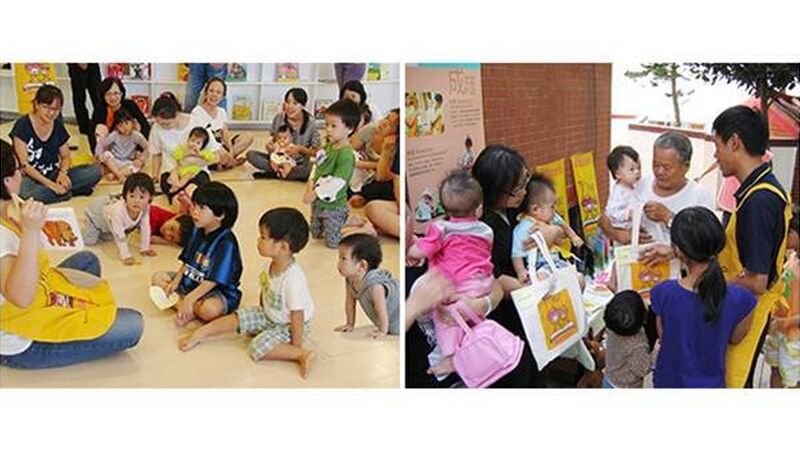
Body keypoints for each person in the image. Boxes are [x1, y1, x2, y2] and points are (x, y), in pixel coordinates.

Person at [0, 141, 143, 369]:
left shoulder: (8, 209)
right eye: (19, 170)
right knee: (134, 325)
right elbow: (21, 298)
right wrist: (30, 231)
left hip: (37, 290)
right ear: (7, 181)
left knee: (88, 260)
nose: (22, 175)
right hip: (19, 337)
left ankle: (72, 308)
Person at [178, 207, 315, 379]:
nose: (258, 241)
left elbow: (297, 315)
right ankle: (201, 334)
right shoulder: (270, 264)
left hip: (289, 324)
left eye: (263, 237)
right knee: (239, 317)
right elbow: (265, 291)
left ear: (283, 247)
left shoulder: (293, 278)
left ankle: (303, 354)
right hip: (270, 315)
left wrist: (296, 347)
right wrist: (259, 316)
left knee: (256, 347)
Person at [651, 207, 756, 388]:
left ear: (678, 250)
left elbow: (664, 335)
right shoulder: (743, 300)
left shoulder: (662, 293)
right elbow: (735, 339)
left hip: (668, 381)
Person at [406, 171, 496, 377]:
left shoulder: (441, 228)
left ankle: (450, 357)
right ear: (479, 209)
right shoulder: (486, 230)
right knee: (468, 320)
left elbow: (421, 251)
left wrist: (413, 248)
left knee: (444, 318)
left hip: (457, 286)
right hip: (483, 283)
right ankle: (470, 352)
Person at [152, 182, 243, 327]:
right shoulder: (197, 230)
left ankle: (182, 305)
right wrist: (175, 282)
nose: (194, 212)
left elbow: (213, 281)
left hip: (215, 291)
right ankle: (187, 308)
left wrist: (188, 300)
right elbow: (187, 261)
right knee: (158, 278)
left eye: (202, 208)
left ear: (220, 215)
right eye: (194, 205)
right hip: (191, 282)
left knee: (209, 310)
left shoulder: (226, 243)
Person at [600, 131, 714, 245]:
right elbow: (604, 218)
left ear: (686, 166)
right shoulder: (636, 185)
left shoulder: (700, 197)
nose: (659, 171)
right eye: (655, 165)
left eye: (666, 167)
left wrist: (669, 218)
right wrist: (618, 234)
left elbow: (705, 242)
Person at [9, 84, 101, 204]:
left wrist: (62, 174)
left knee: (95, 172)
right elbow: (25, 165)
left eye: (56, 109)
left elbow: (65, 156)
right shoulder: (22, 125)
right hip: (29, 177)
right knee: (26, 194)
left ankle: (60, 192)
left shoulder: (57, 125)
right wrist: (51, 185)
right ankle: (69, 192)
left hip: (53, 173)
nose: (51, 113)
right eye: (47, 107)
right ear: (36, 105)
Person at [302, 99, 358, 248]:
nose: (328, 129)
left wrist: (314, 193)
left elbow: (337, 182)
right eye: (326, 125)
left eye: (334, 126)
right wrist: (310, 186)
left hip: (334, 206)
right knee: (314, 233)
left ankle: (360, 228)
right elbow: (316, 167)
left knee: (333, 242)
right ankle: (343, 223)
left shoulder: (346, 155)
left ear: (349, 128)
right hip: (318, 203)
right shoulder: (327, 147)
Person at [511, 173, 584, 284]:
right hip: (539, 266)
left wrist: (573, 237)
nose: (555, 210)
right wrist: (521, 272)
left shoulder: (551, 218)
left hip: (556, 262)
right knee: (543, 281)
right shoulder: (524, 227)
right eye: (552, 206)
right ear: (536, 209)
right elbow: (517, 253)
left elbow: (564, 226)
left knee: (579, 279)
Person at [149, 92, 213, 200]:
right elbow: (156, 154)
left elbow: (214, 154)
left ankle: (188, 198)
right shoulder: (157, 128)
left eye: (167, 124)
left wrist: (197, 160)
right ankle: (182, 201)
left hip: (196, 171)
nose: (163, 127)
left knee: (195, 187)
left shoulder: (196, 122)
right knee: (170, 186)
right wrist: (155, 176)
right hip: (171, 172)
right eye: (160, 123)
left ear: (177, 114)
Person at [247, 87, 321, 180]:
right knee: (251, 155)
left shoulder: (311, 122)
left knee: (311, 168)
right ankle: (285, 173)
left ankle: (277, 173)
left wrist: (301, 149)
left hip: (298, 163)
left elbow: (316, 152)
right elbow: (273, 143)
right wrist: (270, 147)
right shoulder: (279, 118)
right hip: (278, 159)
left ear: (303, 105)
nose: (290, 106)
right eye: (287, 102)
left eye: (295, 103)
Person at [335, 233, 400, 337]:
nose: (338, 263)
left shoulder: (375, 286)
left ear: (362, 265)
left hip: (398, 316)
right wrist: (349, 324)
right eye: (339, 257)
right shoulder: (350, 280)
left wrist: (382, 331)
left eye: (343, 258)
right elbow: (349, 304)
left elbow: (381, 309)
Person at [83, 173, 157, 265]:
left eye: (142, 197)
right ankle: (88, 221)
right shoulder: (118, 212)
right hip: (97, 212)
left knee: (109, 237)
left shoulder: (145, 208)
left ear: (150, 198)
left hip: (109, 219)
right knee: (89, 241)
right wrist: (125, 255)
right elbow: (119, 236)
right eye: (132, 196)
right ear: (125, 196)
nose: (136, 201)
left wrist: (145, 248)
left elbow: (145, 228)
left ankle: (102, 230)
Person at [190, 76, 254, 169]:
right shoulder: (197, 112)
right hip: (207, 149)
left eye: (218, 92)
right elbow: (201, 140)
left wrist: (231, 151)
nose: (214, 95)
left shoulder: (221, 111)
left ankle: (226, 161)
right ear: (205, 93)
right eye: (211, 91)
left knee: (248, 136)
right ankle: (227, 162)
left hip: (222, 147)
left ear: (222, 97)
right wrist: (221, 151)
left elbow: (225, 134)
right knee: (216, 155)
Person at [348, 109, 400, 208]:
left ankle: (362, 196)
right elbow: (350, 149)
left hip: (378, 177)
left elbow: (383, 175)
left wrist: (386, 150)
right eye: (386, 118)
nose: (384, 123)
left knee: (386, 187)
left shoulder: (394, 145)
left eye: (391, 124)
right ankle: (360, 194)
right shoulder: (370, 129)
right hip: (364, 172)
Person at [602, 290, 651, 388]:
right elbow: (643, 369)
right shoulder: (637, 346)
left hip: (609, 379)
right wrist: (655, 354)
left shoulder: (613, 326)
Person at [90, 77, 150, 152]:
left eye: (116, 93)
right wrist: (95, 153)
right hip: (110, 146)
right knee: (99, 127)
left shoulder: (130, 105)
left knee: (136, 125)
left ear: (121, 93)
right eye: (108, 94)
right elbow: (92, 131)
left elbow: (145, 126)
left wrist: (139, 151)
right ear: (103, 95)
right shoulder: (100, 108)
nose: (112, 97)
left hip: (129, 147)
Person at [94, 109, 149, 182]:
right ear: (117, 127)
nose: (125, 128)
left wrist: (141, 159)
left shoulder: (136, 135)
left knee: (137, 167)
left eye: (127, 123)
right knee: (106, 155)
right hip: (114, 161)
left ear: (132, 122)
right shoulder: (114, 135)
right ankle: (119, 175)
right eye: (120, 125)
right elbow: (102, 144)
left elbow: (147, 147)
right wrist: (98, 155)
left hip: (128, 162)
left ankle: (115, 174)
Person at [165, 126, 216, 197]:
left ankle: (178, 185)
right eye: (192, 140)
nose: (194, 144)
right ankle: (175, 182)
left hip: (191, 171)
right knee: (173, 172)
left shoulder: (202, 152)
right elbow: (176, 155)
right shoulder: (183, 148)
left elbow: (210, 157)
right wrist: (186, 153)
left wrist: (200, 154)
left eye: (198, 143)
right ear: (188, 139)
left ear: (202, 146)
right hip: (180, 168)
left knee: (187, 176)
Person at [604, 145, 643, 233]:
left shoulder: (635, 186)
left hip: (633, 229)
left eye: (639, 167)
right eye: (631, 169)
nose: (637, 172)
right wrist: (627, 214)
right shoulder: (619, 192)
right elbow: (612, 212)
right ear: (617, 173)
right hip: (621, 230)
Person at [67, 63, 101, 136]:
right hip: (75, 66)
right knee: (79, 99)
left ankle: (98, 123)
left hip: (93, 65)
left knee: (98, 97)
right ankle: (84, 127)